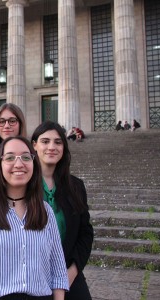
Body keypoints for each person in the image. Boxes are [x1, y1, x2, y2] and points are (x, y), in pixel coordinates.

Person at [0, 136, 69, 299]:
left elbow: (59, 274)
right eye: (10, 157)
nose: (19, 164)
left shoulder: (46, 211)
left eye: (26, 157)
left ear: (33, 164)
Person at [32, 121, 94, 300]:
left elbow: (85, 233)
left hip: (68, 272)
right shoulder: (22, 186)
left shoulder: (76, 186)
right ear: (34, 145)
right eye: (45, 141)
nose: (51, 147)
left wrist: (72, 271)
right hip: (30, 276)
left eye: (58, 142)